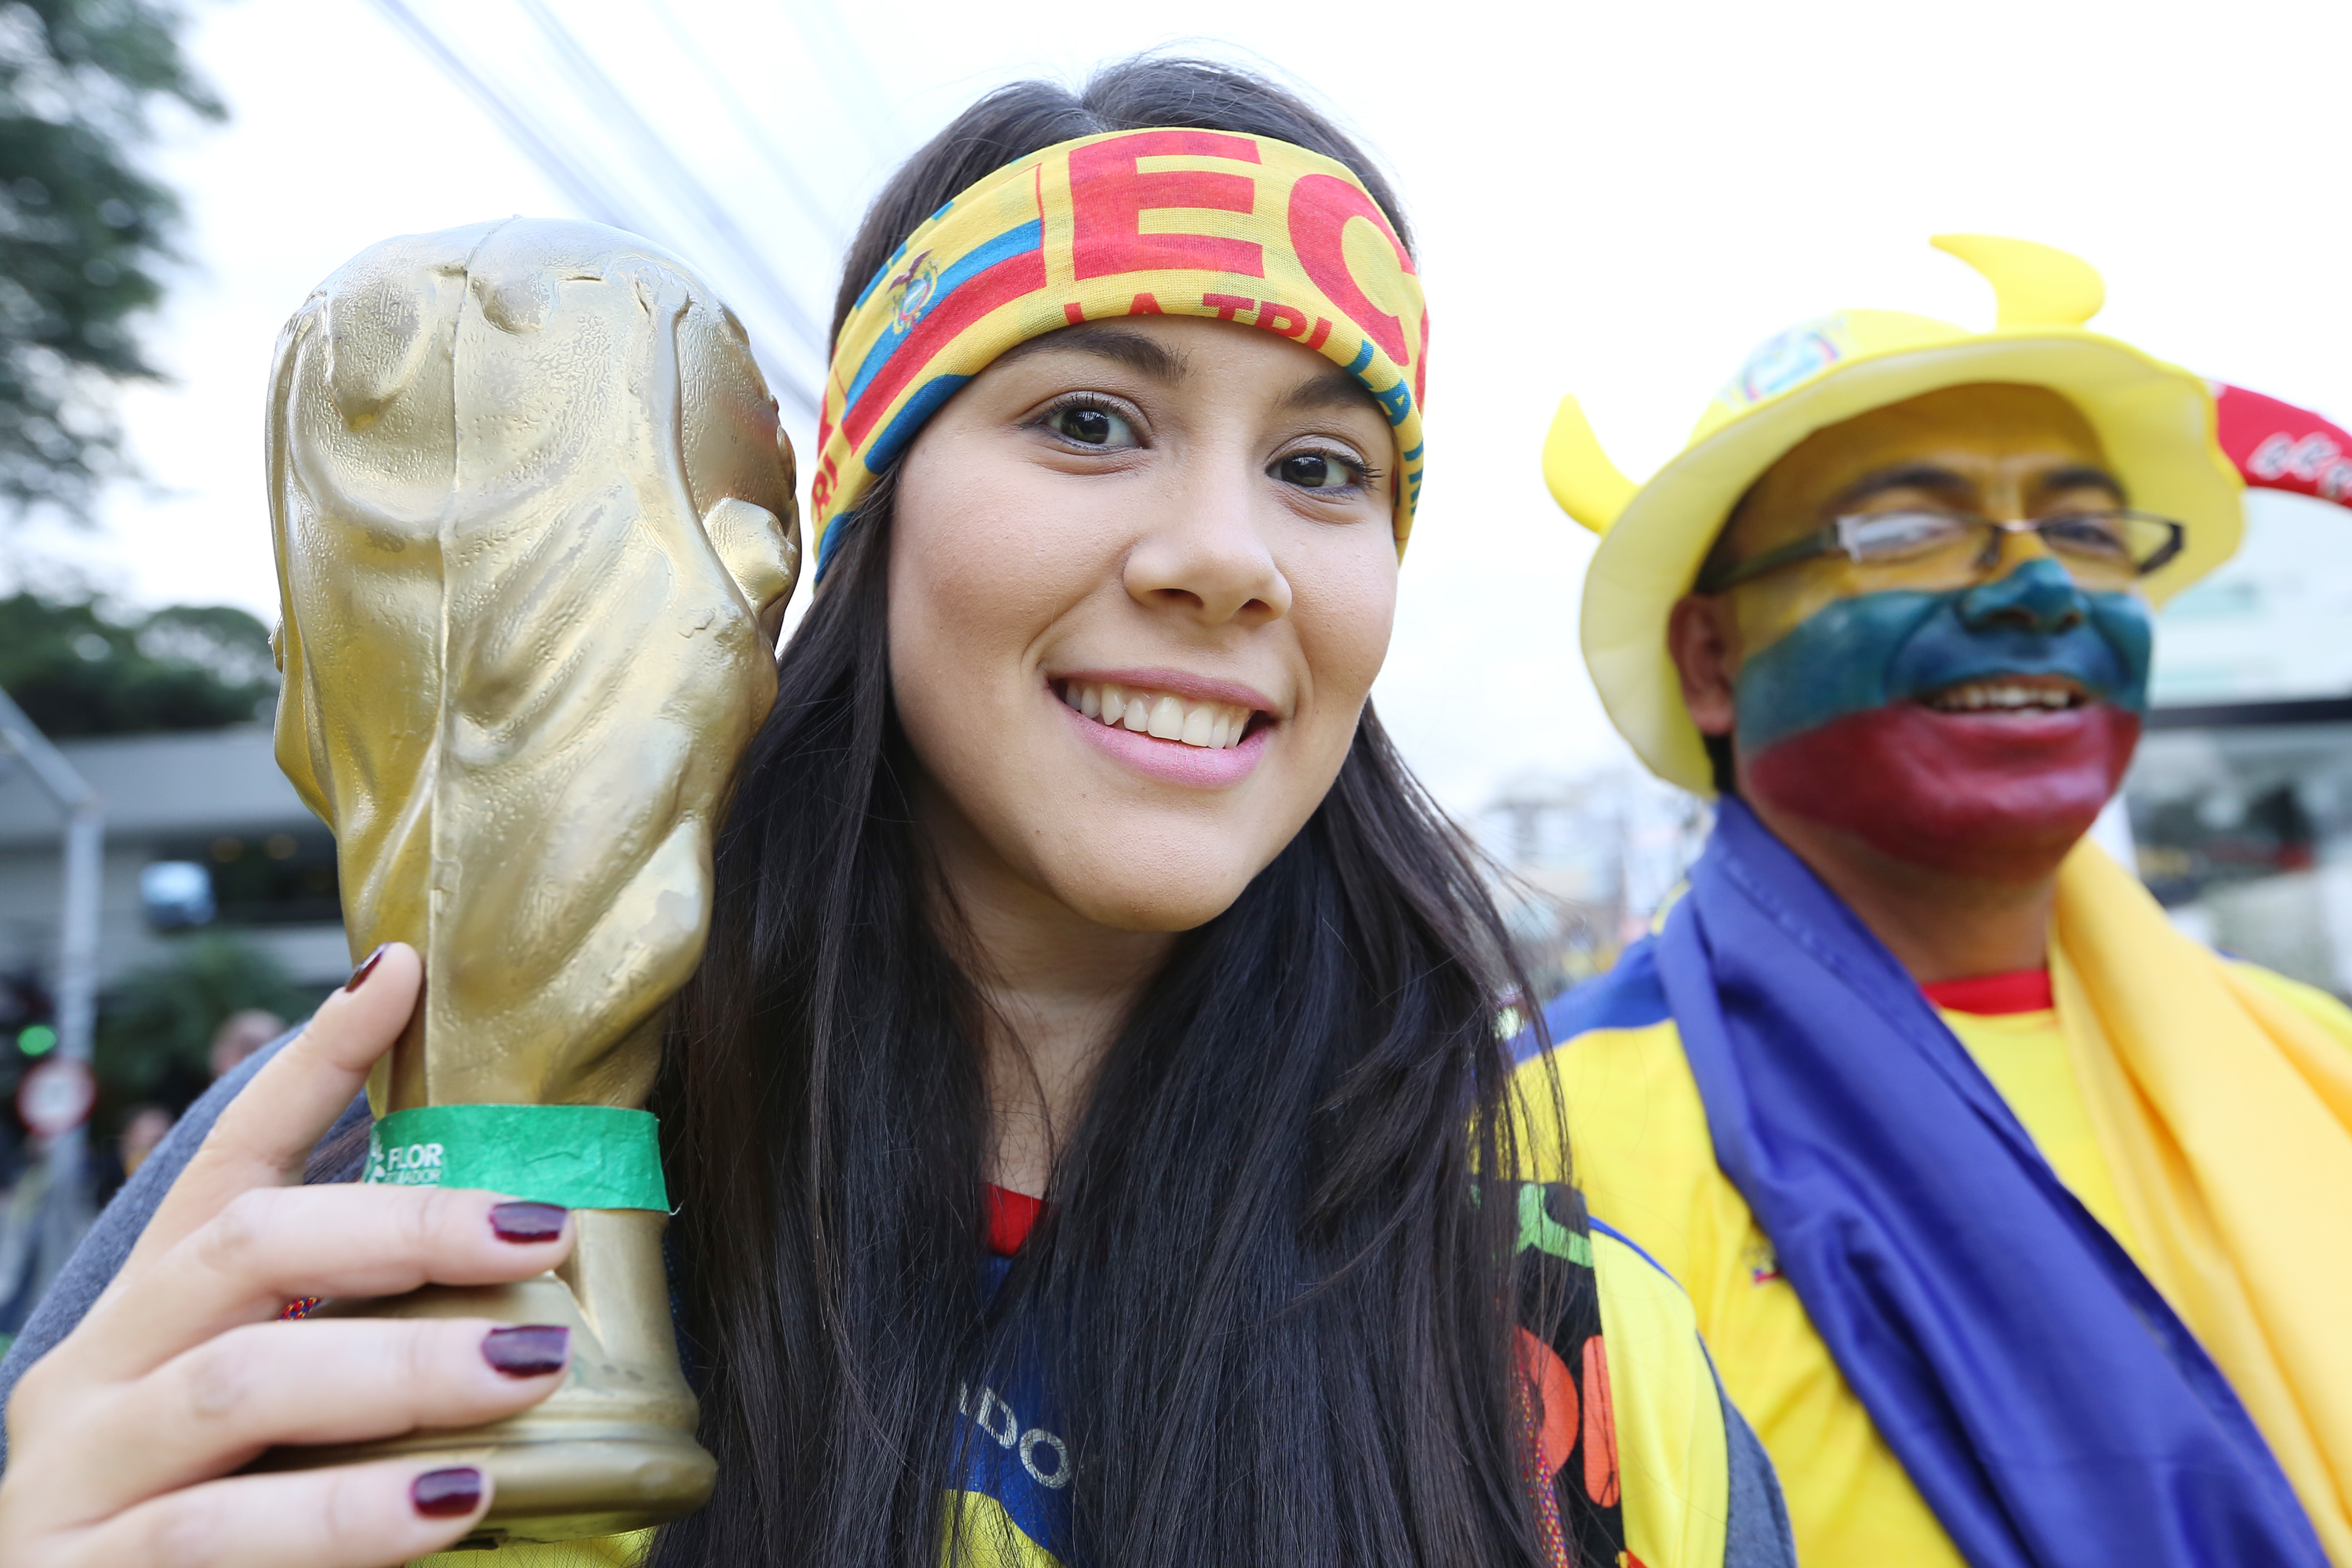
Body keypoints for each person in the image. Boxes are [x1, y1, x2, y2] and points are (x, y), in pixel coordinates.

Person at [0, 59, 1794, 1568]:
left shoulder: (1581, 1357)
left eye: (1322, 468)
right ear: (861, 517)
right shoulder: (375, 1185)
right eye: (1091, 422)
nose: (1226, 559)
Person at [1534, 234, 2352, 1568]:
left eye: (2086, 531)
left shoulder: (2317, 1058)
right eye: (1909, 530)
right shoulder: (1548, 1143)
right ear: (1712, 661)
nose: (2037, 588)